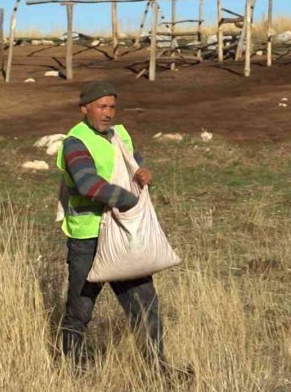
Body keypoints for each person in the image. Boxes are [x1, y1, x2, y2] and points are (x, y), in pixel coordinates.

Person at [55, 80, 163, 369]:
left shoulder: (120, 135)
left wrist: (142, 173)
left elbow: (133, 162)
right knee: (79, 312)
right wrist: (129, 200)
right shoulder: (75, 142)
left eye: (112, 106)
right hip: (88, 238)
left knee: (146, 306)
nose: (108, 113)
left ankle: (157, 372)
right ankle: (73, 372)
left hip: (122, 234)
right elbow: (87, 184)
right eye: (101, 106)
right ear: (84, 108)